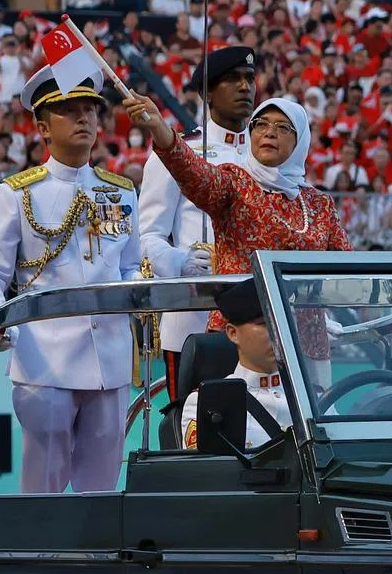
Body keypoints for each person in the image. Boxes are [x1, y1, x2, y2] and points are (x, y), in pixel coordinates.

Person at [0, 65, 141, 494]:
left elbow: (129, 266)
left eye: (91, 110)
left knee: (102, 483)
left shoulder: (121, 191)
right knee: (42, 486)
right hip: (45, 355)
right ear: (44, 128)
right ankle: (38, 559)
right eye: (71, 111)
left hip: (110, 355)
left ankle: (95, 559)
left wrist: (143, 289)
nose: (85, 119)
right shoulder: (17, 193)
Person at [122, 88, 351, 382]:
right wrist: (160, 129)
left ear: (300, 141)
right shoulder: (234, 184)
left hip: (304, 339)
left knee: (303, 427)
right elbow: (194, 173)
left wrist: (322, 302)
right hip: (240, 338)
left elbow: (345, 270)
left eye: (282, 127)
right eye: (261, 124)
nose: (270, 133)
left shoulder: (318, 204)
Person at [138, 45, 256, 399]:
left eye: (250, 79)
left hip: (261, 319)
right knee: (192, 429)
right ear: (207, 93)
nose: (244, 87)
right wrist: (180, 262)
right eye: (232, 80)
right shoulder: (177, 151)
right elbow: (147, 235)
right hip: (197, 314)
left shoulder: (268, 153)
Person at [181, 278, 290, 449]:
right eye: (264, 325)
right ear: (233, 333)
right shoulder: (209, 403)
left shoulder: (309, 397)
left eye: (281, 324)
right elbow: (208, 471)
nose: (277, 335)